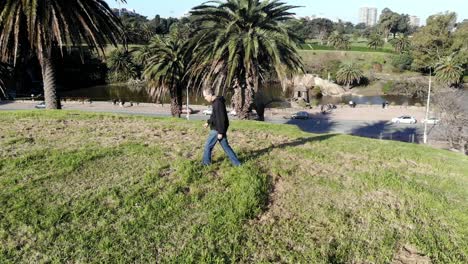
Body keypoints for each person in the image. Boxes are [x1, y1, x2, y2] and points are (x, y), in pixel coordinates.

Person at [202, 90, 241, 166]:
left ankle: (206, 164)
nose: (205, 98)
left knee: (208, 146)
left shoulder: (218, 103)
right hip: (219, 129)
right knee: (226, 147)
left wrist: (221, 132)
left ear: (210, 94)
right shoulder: (216, 102)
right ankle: (237, 163)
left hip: (217, 129)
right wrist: (208, 122)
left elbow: (221, 119)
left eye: (205, 96)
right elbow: (214, 115)